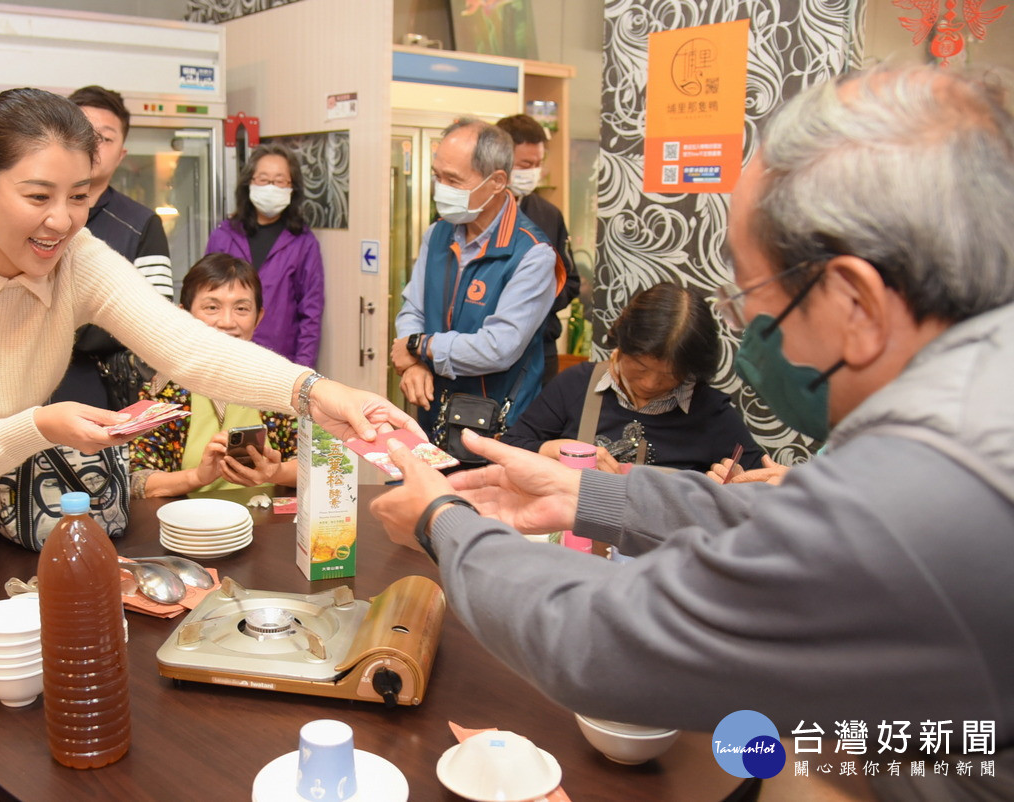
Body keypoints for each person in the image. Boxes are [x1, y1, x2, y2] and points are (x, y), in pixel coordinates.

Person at [371, 64, 1014, 793]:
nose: (747, 332)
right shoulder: (973, 402)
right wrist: (591, 497)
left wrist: (443, 519)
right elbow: (777, 518)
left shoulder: (925, 483)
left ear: (856, 302)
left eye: (751, 299)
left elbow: (603, 638)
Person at [0, 87, 416, 586]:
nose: (61, 221)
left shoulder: (77, 258)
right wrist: (40, 426)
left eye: (80, 196)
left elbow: (187, 345)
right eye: (38, 196)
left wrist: (320, 393)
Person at [391, 118, 566, 433]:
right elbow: (413, 309)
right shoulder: (437, 234)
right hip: (434, 416)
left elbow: (498, 348)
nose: (441, 188)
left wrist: (419, 346)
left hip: (497, 427)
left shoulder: (533, 253)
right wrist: (415, 363)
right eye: (437, 176)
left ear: (497, 181)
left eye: (453, 180)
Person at [502, 282, 765, 472]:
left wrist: (732, 485)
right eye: (640, 367)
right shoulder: (575, 385)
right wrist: (553, 450)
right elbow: (510, 447)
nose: (650, 384)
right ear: (621, 342)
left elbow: (758, 479)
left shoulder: (710, 412)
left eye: (670, 375)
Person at [129, 253, 298, 497]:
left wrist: (275, 471)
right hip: (187, 527)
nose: (227, 322)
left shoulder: (277, 384)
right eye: (212, 307)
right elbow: (139, 482)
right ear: (184, 314)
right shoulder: (164, 392)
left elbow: (316, 466)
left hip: (267, 525)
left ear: (258, 318)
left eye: (241, 308)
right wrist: (198, 476)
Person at [51, 85, 174, 408]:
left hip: (101, 396)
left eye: (105, 138)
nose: (93, 146)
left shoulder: (141, 223)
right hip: (20, 396)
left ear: (121, 154)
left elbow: (153, 322)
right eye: (83, 133)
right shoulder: (32, 212)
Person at [204, 144, 324, 368]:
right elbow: (204, 298)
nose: (271, 187)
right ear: (249, 183)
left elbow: (311, 314)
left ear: (292, 188)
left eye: (279, 181)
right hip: (224, 356)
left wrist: (302, 370)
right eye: (263, 179)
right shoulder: (223, 235)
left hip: (279, 362)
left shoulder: (303, 242)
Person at [495, 113, 580, 384]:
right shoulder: (472, 215)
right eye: (525, 164)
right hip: (484, 351)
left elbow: (571, 282)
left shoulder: (548, 215)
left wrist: (533, 301)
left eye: (538, 164)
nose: (533, 171)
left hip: (540, 351)